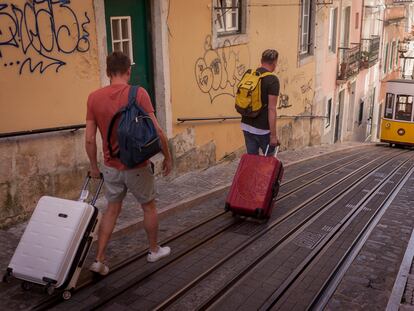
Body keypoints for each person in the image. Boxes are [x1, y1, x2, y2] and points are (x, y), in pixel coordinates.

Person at [85, 51, 172, 275]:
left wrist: (94, 167)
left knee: (111, 210)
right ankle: (154, 250)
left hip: (111, 166)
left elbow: (89, 139)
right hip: (137, 165)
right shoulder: (138, 93)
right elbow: (158, 130)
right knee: (148, 206)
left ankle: (99, 259)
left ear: (107, 71)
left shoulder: (94, 97)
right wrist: (167, 158)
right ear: (128, 71)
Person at [241, 49, 280, 155]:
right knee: (269, 164)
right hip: (263, 130)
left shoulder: (249, 74)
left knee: (252, 161)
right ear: (274, 63)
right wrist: (273, 136)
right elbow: (271, 109)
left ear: (261, 60)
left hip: (246, 125)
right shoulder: (272, 80)